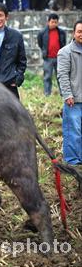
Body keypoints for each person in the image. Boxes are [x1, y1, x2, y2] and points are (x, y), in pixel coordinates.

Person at [57, 20, 82, 165]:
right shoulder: (65, 52)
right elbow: (63, 75)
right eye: (79, 31)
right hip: (74, 100)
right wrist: (67, 95)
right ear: (74, 33)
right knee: (73, 132)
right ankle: (73, 161)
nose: (81, 34)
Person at [37, 13, 67, 96]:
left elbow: (63, 43)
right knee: (47, 77)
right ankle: (47, 93)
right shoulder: (42, 33)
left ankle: (63, 94)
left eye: (55, 22)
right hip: (48, 58)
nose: (54, 24)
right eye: (52, 22)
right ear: (48, 22)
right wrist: (44, 51)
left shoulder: (61, 32)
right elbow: (40, 43)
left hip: (59, 58)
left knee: (61, 77)